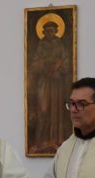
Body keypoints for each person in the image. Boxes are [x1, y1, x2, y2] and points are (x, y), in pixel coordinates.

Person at [29, 19, 73, 154]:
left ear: (56, 31)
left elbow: (66, 63)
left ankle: (56, 140)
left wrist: (59, 69)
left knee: (57, 111)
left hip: (57, 83)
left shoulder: (60, 46)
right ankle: (41, 141)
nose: (49, 33)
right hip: (44, 82)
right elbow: (34, 65)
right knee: (43, 109)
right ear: (43, 32)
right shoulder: (40, 46)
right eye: (47, 31)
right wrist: (46, 65)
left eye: (52, 30)